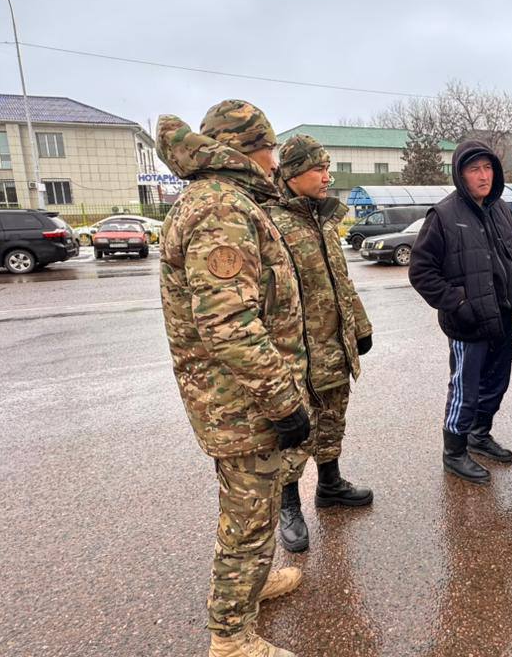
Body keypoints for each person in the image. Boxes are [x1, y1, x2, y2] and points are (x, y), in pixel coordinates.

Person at [156, 100, 309, 657]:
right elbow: (229, 323)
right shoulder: (221, 207)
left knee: (254, 506)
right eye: (270, 147)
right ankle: (231, 637)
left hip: (235, 396)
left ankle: (251, 586)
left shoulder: (220, 199)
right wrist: (283, 401)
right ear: (248, 150)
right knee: (248, 518)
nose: (275, 160)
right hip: (242, 401)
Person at [266, 134, 375, 554]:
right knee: (295, 434)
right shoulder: (272, 224)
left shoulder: (323, 219)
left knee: (332, 420)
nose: (327, 177)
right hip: (296, 354)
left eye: (328, 168)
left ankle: (330, 485)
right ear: (293, 174)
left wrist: (360, 327)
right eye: (319, 169)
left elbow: (341, 282)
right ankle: (289, 506)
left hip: (333, 347)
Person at [409, 140, 512, 483]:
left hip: (502, 317)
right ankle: (455, 452)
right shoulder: (443, 215)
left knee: (497, 383)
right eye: (475, 169)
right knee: (465, 388)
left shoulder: (502, 210)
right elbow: (421, 272)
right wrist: (458, 304)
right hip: (468, 323)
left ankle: (479, 434)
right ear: (461, 175)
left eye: (488, 168)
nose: (483, 175)